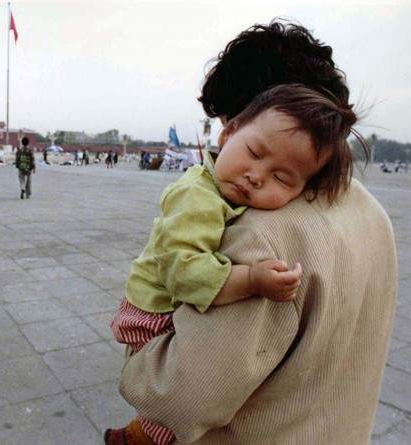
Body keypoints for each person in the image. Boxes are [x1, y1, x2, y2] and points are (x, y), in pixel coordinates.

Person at [108, 20, 396, 445]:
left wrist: (139, 358)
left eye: (234, 126)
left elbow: (182, 397)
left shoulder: (264, 234)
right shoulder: (372, 212)